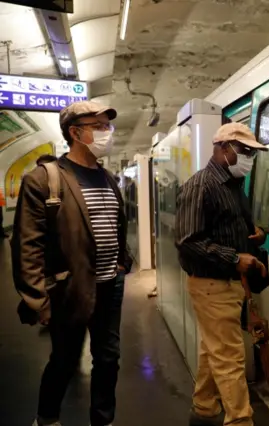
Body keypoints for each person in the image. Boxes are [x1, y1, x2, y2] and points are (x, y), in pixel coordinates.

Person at [11, 100, 130, 426]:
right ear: (76, 132)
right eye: (100, 126)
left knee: (108, 359)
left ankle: (103, 420)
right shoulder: (44, 179)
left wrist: (122, 262)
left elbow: (116, 225)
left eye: (109, 125)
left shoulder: (107, 178)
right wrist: (38, 299)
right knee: (64, 358)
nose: (108, 133)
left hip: (110, 284)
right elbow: (27, 245)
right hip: (70, 287)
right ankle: (47, 419)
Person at [175, 122, 268, 426]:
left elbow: (232, 227)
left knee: (212, 349)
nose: (249, 159)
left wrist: (255, 235)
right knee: (230, 357)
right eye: (245, 151)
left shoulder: (233, 186)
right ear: (224, 148)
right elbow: (188, 241)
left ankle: (203, 408)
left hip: (229, 284)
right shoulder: (201, 185)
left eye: (253, 154)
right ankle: (240, 421)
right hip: (211, 284)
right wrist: (233, 257)